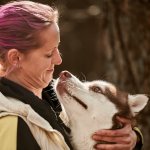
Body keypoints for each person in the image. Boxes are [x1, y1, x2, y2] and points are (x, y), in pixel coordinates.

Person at [0, 1, 142, 150]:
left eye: (57, 48)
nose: (58, 59)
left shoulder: (49, 98)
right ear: (15, 58)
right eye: (49, 53)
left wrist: (132, 137)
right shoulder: (11, 124)